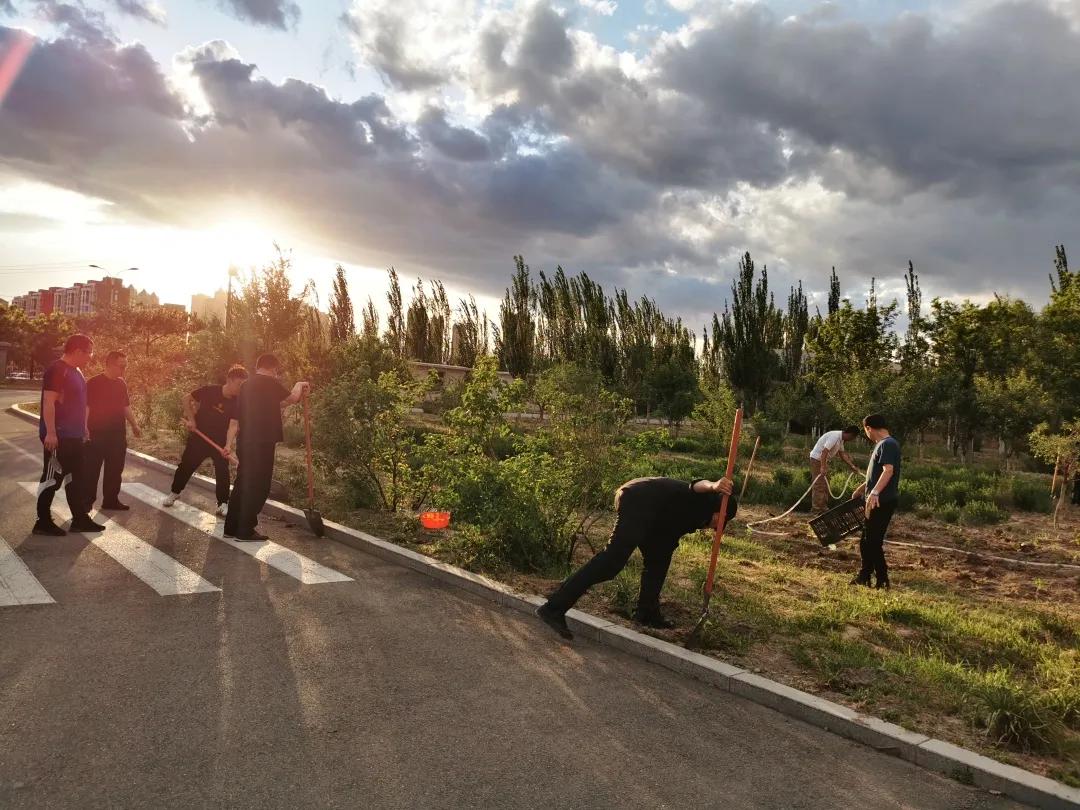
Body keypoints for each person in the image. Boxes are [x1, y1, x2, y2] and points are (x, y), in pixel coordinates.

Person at [535, 476, 738, 640]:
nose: (720, 526)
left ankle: (647, 613)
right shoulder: (703, 497)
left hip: (656, 517)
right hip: (639, 499)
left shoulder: (701, 518)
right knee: (611, 562)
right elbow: (696, 485)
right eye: (723, 519)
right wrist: (714, 485)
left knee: (659, 559)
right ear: (718, 511)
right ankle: (553, 608)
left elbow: (670, 531)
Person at [223, 354, 309, 541]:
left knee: (243, 483)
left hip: (245, 441)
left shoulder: (246, 386)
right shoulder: (270, 382)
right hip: (262, 442)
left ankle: (231, 527)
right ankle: (245, 530)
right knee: (259, 486)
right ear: (273, 368)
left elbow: (280, 402)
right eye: (277, 371)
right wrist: (300, 384)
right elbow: (293, 398)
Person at [34, 334, 105, 536]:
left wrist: (84, 427)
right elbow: (49, 402)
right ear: (77, 351)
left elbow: (79, 403)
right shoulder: (57, 370)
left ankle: (80, 519)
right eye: (89, 352)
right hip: (59, 436)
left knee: (76, 479)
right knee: (51, 479)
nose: (90, 357)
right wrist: (51, 432)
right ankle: (42, 521)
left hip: (75, 436)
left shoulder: (77, 371)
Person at [164, 365, 248, 516]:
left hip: (220, 442)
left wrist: (228, 445)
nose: (241, 388)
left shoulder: (237, 402)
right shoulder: (210, 391)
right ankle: (175, 492)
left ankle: (222, 503)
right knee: (186, 466)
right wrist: (191, 420)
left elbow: (233, 425)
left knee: (222, 471)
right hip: (199, 437)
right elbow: (186, 398)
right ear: (229, 380)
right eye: (239, 384)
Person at [84, 350, 141, 512]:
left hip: (117, 435)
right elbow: (86, 407)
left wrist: (135, 425)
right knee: (91, 471)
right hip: (96, 435)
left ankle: (110, 500)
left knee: (115, 470)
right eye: (121, 366)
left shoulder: (121, 383)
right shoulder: (93, 383)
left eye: (126, 366)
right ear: (109, 364)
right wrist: (84, 427)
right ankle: (86, 504)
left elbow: (126, 406)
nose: (124, 370)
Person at [850, 413, 901, 589]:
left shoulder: (888, 444)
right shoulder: (883, 445)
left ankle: (882, 579)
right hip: (875, 500)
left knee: (873, 541)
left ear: (869, 428)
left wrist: (875, 493)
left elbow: (888, 471)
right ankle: (864, 575)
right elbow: (877, 473)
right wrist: (861, 488)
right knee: (865, 540)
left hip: (882, 501)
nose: (867, 435)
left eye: (866, 431)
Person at [809, 426, 861, 513]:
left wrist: (852, 466)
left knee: (825, 484)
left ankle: (823, 508)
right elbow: (824, 451)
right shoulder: (835, 436)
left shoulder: (841, 440)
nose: (852, 440)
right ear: (851, 434)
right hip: (817, 459)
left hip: (822, 460)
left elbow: (842, 454)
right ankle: (817, 510)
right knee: (819, 485)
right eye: (853, 437)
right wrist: (823, 466)